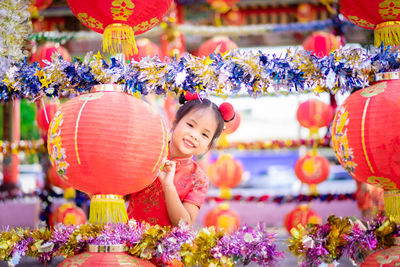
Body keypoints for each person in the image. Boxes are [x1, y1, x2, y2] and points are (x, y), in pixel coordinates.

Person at [127, 92, 235, 227]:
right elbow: (124, 191)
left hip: (166, 247)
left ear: (208, 145)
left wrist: (168, 186)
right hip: (130, 242)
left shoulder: (198, 179)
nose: (195, 135)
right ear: (175, 123)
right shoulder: (149, 153)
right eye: (190, 125)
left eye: (204, 134)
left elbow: (184, 224)